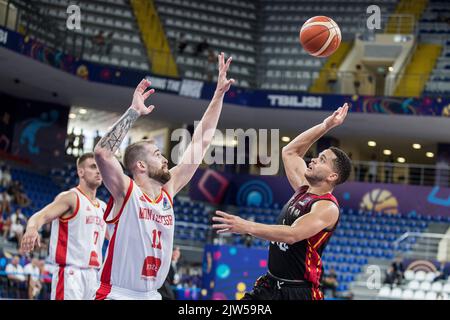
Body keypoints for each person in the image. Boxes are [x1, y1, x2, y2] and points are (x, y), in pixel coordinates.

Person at [93, 52, 234, 300]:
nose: (166, 158)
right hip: (119, 294)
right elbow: (102, 153)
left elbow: (200, 142)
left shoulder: (167, 193)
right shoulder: (126, 191)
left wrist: (218, 95)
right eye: (158, 154)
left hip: (152, 294)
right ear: (140, 166)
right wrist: (133, 112)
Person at [212, 104, 351, 300]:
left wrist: (246, 226)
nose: (312, 160)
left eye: (321, 160)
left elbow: (293, 234)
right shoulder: (303, 189)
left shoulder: (326, 207)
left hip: (297, 292)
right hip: (269, 285)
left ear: (332, 176)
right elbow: (289, 152)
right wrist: (326, 125)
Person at [20, 153, 108, 300]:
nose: (99, 171)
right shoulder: (70, 197)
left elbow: (116, 236)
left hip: (93, 275)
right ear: (81, 172)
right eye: (93, 167)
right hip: (70, 274)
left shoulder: (103, 207)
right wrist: (32, 229)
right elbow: (40, 216)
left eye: (100, 167)